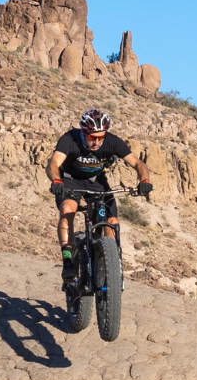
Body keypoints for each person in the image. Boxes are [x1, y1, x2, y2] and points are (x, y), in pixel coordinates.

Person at [46, 108, 153, 280]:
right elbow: (53, 163)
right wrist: (56, 181)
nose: (96, 142)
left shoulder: (112, 142)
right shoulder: (69, 139)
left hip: (96, 181)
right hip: (70, 179)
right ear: (84, 132)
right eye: (92, 137)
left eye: (100, 137)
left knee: (111, 222)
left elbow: (137, 163)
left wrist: (144, 181)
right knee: (67, 209)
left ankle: (110, 267)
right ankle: (68, 261)